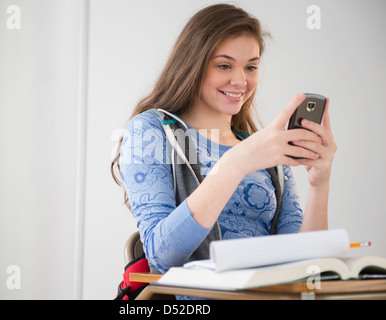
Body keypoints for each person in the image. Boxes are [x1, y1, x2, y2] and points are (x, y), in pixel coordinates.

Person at [111, 3, 337, 296]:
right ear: (193, 64)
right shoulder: (152, 130)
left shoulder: (263, 150)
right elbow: (161, 255)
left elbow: (302, 264)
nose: (240, 81)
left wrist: (320, 181)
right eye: (224, 65)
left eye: (251, 67)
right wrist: (234, 165)